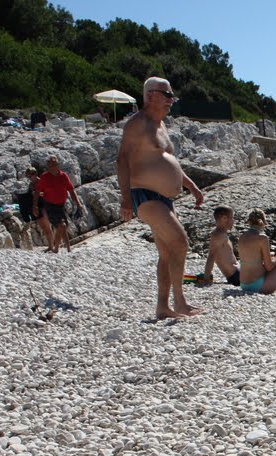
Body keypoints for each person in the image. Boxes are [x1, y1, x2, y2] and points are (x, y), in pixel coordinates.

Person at [117, 76, 205, 319]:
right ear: (150, 95)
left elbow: (169, 162)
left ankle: (162, 307)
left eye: (171, 95)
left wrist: (192, 187)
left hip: (165, 198)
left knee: (167, 252)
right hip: (145, 195)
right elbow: (122, 160)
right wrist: (125, 198)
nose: (171, 100)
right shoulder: (138, 124)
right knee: (180, 242)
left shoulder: (161, 125)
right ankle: (180, 302)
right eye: (167, 95)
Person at [37, 156, 84, 253]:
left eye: (55, 165)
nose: (53, 167)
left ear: (58, 165)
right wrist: (35, 206)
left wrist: (78, 203)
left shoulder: (63, 176)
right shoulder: (44, 177)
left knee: (63, 227)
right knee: (61, 226)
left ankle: (60, 248)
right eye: (51, 165)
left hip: (61, 205)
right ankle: (62, 249)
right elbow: (38, 191)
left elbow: (71, 190)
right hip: (50, 205)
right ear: (48, 167)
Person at [202, 205, 241, 287]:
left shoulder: (223, 234)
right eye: (232, 217)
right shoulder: (218, 235)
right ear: (224, 219)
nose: (233, 220)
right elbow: (211, 256)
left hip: (237, 273)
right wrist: (206, 277)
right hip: (236, 277)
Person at [17, 167, 52, 248]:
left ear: (35, 174)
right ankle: (50, 245)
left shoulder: (41, 182)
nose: (29, 178)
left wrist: (38, 194)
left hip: (43, 205)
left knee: (47, 227)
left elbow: (47, 193)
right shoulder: (31, 184)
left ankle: (51, 245)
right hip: (36, 206)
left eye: (30, 176)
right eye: (28, 177)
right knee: (43, 227)